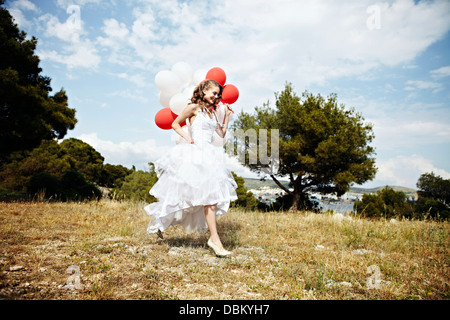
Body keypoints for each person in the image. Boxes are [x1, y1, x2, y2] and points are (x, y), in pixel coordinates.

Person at [144, 79, 238, 257]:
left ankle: (214, 240)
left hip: (209, 156)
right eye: (214, 93)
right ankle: (160, 221)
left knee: (211, 198)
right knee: (180, 197)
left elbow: (221, 133)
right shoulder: (193, 107)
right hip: (195, 155)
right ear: (203, 90)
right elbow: (175, 123)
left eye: (218, 94)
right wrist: (188, 138)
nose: (216, 96)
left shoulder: (212, 113)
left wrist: (225, 116)